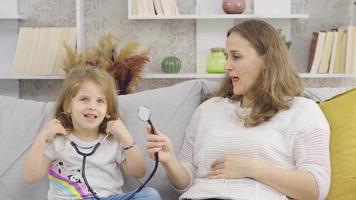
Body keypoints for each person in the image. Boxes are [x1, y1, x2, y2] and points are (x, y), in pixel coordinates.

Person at [146, 19, 330, 200]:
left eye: (236, 56)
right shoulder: (209, 110)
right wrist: (169, 161)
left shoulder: (302, 110)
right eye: (227, 57)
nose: (227, 66)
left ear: (267, 60)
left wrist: (252, 169)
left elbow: (315, 188)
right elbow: (186, 183)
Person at [23, 67, 161, 200]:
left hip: (109, 198)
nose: (92, 106)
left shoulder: (112, 141)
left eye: (100, 101)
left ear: (107, 110)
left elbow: (138, 172)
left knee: (150, 195)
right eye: (84, 99)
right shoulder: (58, 140)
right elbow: (31, 177)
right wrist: (42, 138)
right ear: (67, 106)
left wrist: (126, 138)